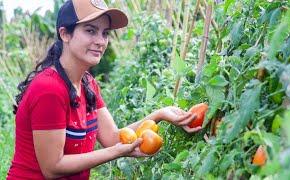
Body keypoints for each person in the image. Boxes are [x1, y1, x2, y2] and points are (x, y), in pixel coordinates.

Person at [7, 0, 201, 179]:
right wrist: (115, 152)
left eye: (105, 33)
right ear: (65, 34)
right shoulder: (49, 89)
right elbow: (52, 167)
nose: (101, 41)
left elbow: (113, 137)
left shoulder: (87, 83)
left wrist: (160, 115)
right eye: (90, 31)